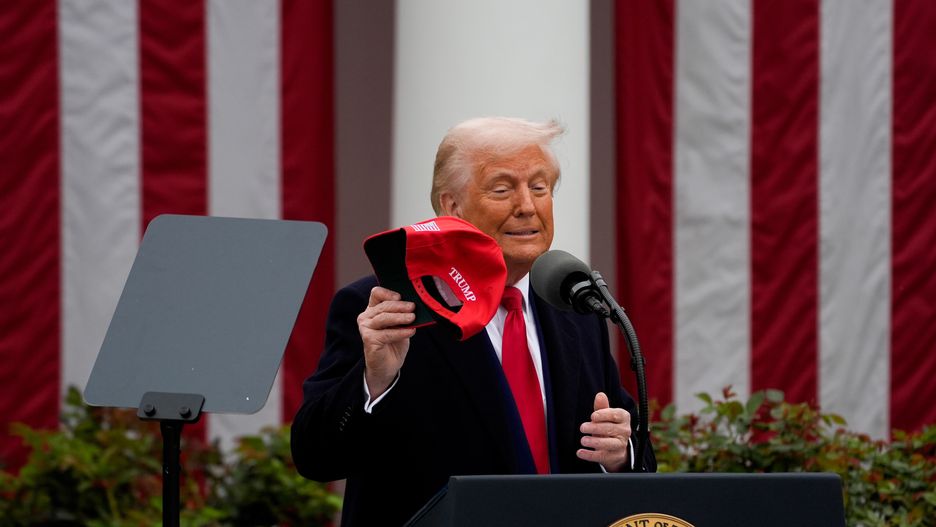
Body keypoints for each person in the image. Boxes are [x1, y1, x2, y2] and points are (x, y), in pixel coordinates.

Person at [291, 117, 656, 526]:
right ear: (452, 206)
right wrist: (374, 382)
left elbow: (633, 447)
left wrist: (620, 453)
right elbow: (315, 456)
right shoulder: (388, 307)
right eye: (502, 189)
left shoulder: (573, 306)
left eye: (539, 188)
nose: (527, 206)